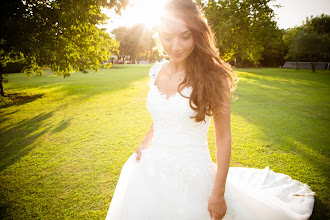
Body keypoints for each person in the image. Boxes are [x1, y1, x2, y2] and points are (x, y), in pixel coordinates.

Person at [105, 0, 315, 219]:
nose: (175, 46)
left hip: (193, 174)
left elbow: (223, 136)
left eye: (185, 36)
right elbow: (163, 115)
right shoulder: (156, 71)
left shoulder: (213, 77)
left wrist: (218, 192)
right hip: (152, 167)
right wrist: (143, 143)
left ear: (197, 33)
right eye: (167, 37)